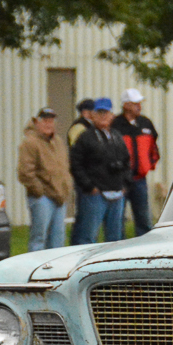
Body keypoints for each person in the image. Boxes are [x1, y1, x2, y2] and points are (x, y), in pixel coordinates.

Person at [69, 97, 129, 245]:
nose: (103, 116)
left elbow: (127, 161)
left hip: (116, 193)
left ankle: (113, 266)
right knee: (88, 237)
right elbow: (75, 164)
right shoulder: (85, 137)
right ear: (92, 115)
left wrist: (125, 185)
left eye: (106, 113)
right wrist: (89, 186)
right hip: (95, 195)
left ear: (112, 115)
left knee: (115, 239)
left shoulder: (116, 136)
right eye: (99, 113)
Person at [17, 106, 73, 251]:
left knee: (58, 239)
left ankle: (55, 271)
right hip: (42, 198)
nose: (48, 124)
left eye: (51, 121)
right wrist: (39, 191)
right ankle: (34, 271)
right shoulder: (30, 142)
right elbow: (25, 172)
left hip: (59, 197)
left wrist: (65, 189)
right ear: (36, 122)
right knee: (39, 238)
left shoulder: (58, 141)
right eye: (45, 120)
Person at [110, 88, 160, 237]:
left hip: (140, 179)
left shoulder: (145, 123)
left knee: (144, 218)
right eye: (135, 103)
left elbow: (154, 147)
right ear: (126, 105)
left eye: (139, 103)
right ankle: (118, 249)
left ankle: (144, 248)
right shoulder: (116, 124)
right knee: (118, 219)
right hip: (119, 181)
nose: (139, 106)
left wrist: (149, 164)